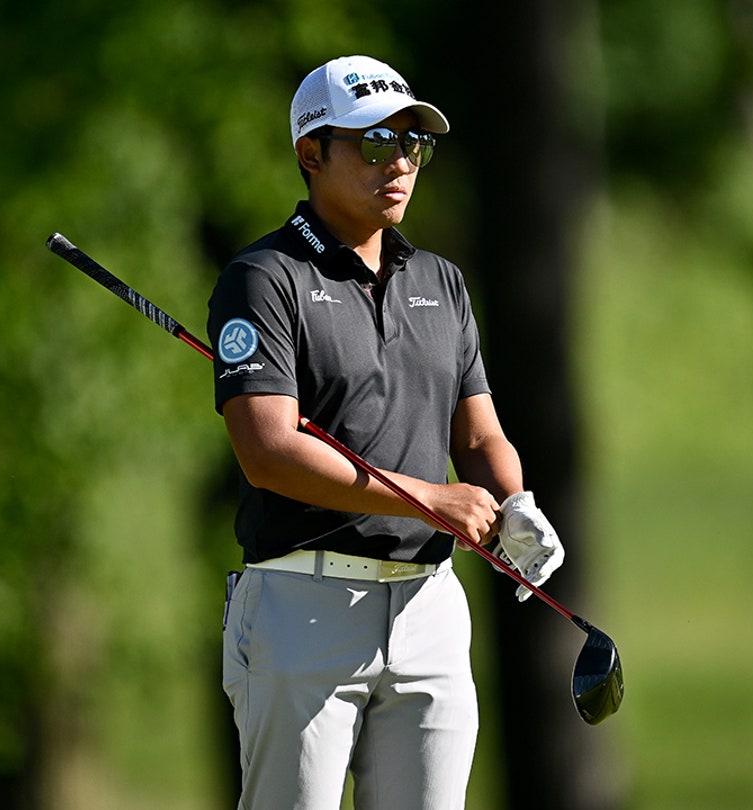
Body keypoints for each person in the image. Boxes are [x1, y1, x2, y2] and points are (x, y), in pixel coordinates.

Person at [208, 54, 564, 810]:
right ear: (312, 153)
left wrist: (515, 500)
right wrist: (431, 500)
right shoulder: (263, 279)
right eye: (374, 144)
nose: (399, 162)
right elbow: (267, 451)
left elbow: (479, 434)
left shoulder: (440, 281)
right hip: (303, 606)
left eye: (413, 145)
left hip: (429, 608)